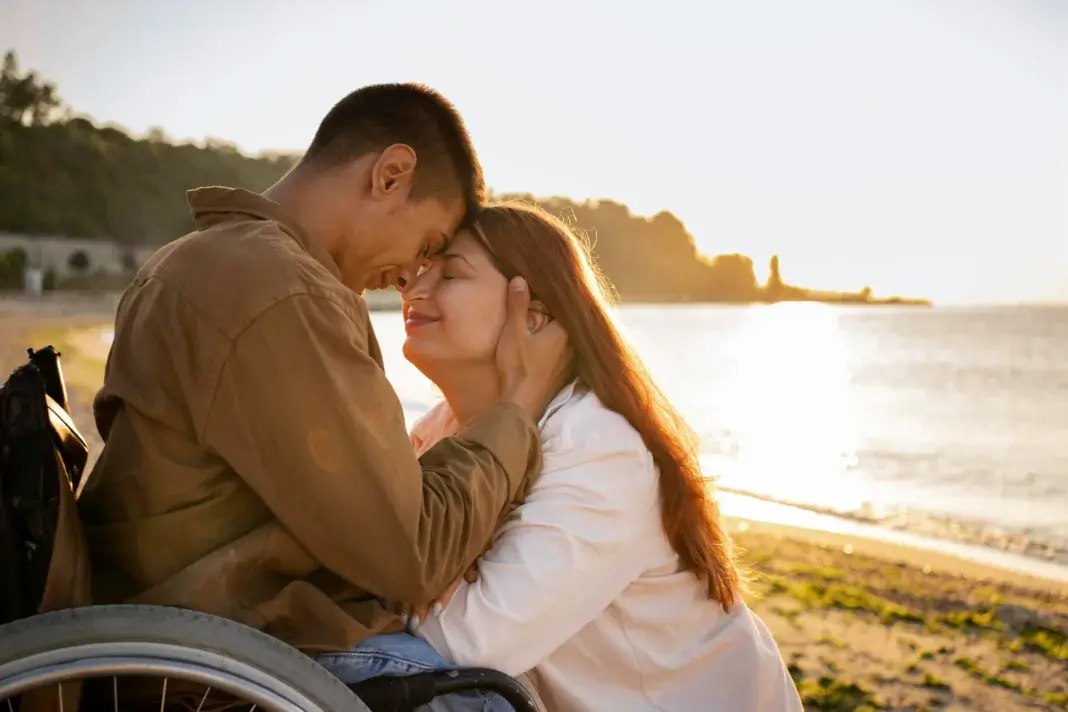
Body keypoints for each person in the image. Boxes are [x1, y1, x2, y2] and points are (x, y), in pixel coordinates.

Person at [75, 85, 569, 707]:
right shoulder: (282, 291)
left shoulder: (199, 262)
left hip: (176, 638)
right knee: (486, 699)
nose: (412, 277)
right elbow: (410, 553)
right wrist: (516, 412)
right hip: (223, 664)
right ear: (391, 175)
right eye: (426, 247)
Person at [317, 203, 804, 711]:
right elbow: (393, 571)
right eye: (420, 270)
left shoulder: (596, 446)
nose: (413, 289)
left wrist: (413, 579)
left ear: (533, 314)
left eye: (451, 274)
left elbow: (469, 645)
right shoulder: (443, 431)